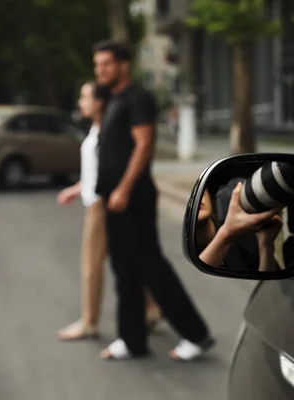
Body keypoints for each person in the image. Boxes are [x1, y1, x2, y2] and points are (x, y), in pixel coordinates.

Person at [92, 40, 213, 361]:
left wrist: (124, 189)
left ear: (123, 65)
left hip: (133, 199)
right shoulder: (112, 100)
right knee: (123, 269)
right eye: (97, 65)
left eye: (105, 64)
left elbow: (143, 146)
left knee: (151, 267)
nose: (100, 70)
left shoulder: (137, 99)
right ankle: (132, 340)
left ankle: (195, 335)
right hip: (114, 200)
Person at [56, 82, 161, 341]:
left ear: (99, 102)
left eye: (85, 96)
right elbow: (95, 171)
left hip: (102, 204)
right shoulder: (96, 129)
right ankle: (153, 308)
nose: (80, 102)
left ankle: (89, 322)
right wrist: (76, 188)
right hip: (98, 199)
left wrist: (119, 192)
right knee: (130, 260)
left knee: (91, 265)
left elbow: (115, 166)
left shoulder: (112, 130)